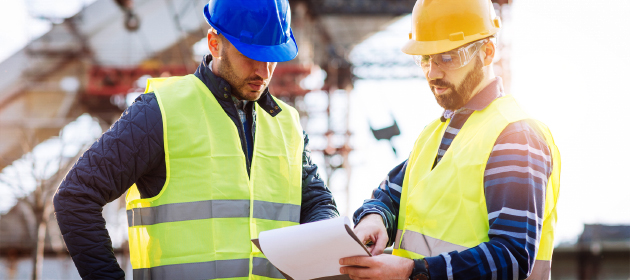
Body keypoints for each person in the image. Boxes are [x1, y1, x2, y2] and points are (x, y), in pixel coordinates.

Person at [53, 0, 339, 279]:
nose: (263, 72)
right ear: (215, 43)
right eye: (251, 55)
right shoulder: (161, 111)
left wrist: (325, 240)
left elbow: (316, 201)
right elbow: (76, 196)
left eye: (272, 58)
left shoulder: (286, 123)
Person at [339, 0, 560, 279]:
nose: (432, 72)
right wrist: (376, 217)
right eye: (426, 59)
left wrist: (413, 271)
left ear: (487, 52)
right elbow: (390, 195)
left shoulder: (515, 137)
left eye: (447, 57)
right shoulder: (435, 134)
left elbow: (512, 257)